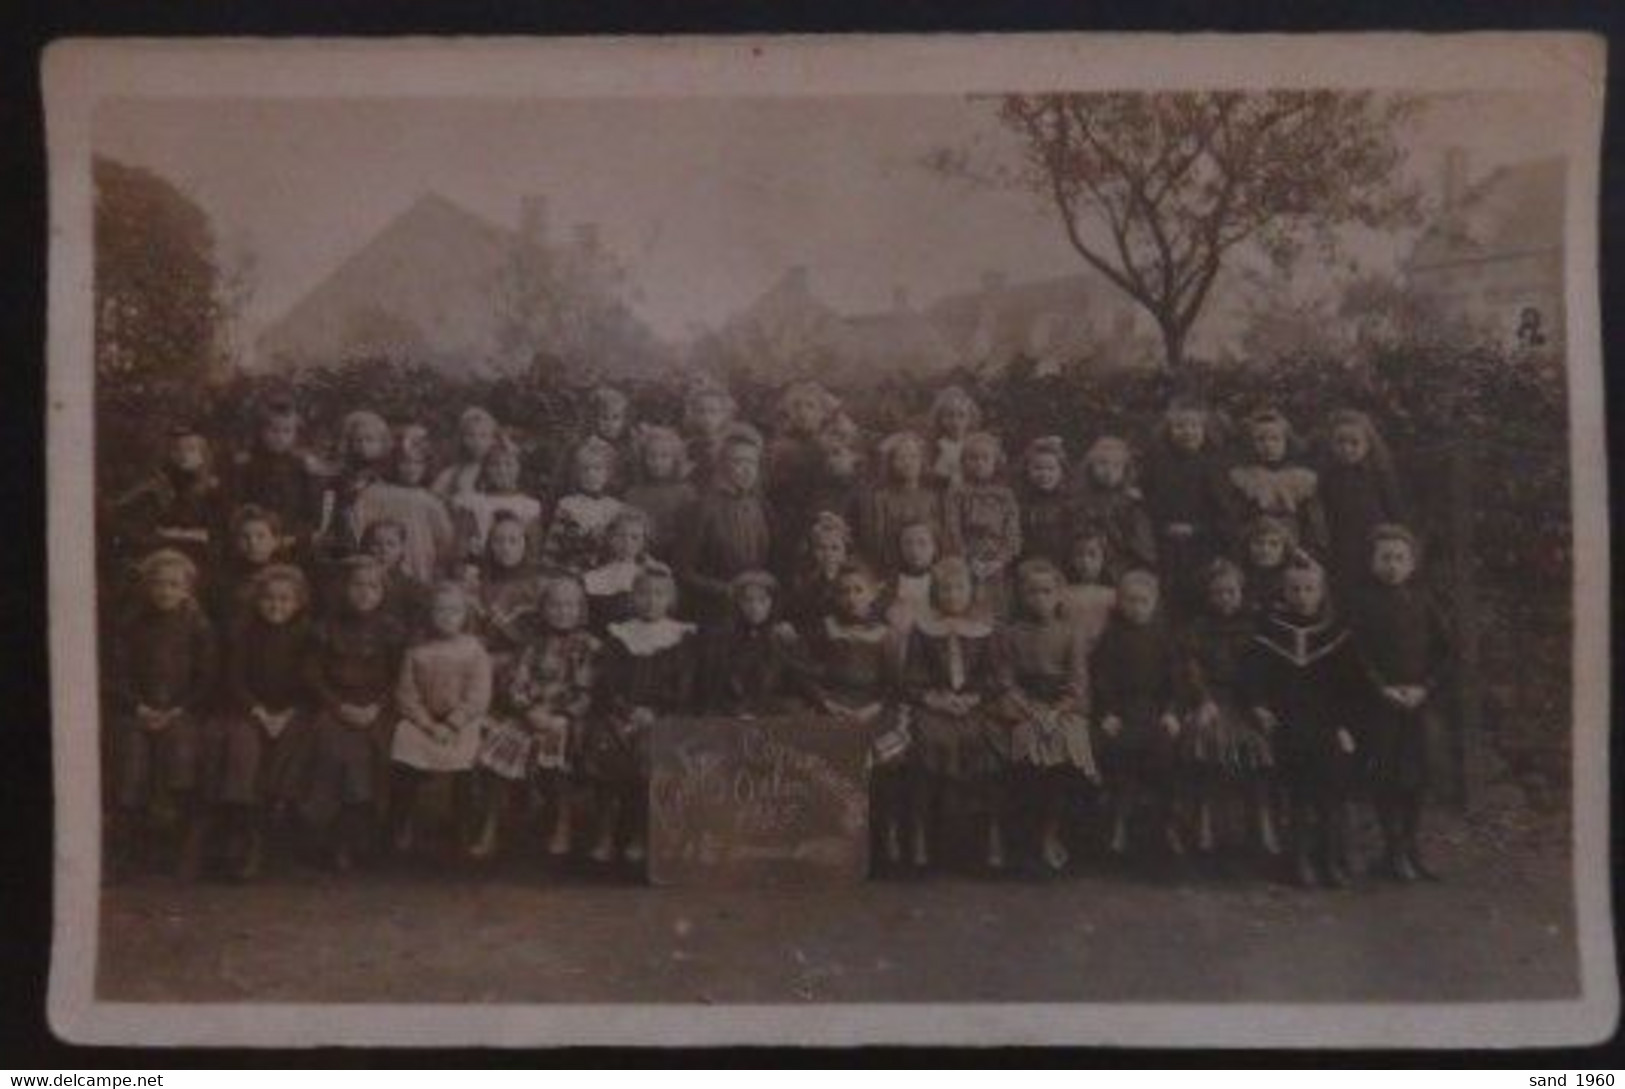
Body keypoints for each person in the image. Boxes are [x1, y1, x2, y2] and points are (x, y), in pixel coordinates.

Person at [1237, 556, 1367, 888]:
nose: (1302, 595)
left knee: (1333, 787)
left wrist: (1346, 725)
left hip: (1328, 723)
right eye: (1294, 589)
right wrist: (1258, 705)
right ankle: (1300, 860)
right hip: (1287, 723)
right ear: (1283, 592)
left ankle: (1331, 858)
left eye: (1309, 589)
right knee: (1299, 791)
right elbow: (1253, 677)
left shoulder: (1336, 634)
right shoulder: (1270, 633)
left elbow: (1351, 687)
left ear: (1322, 592)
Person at [1347, 524, 1451, 882]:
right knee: (1385, 776)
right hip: (1380, 705)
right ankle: (1392, 850)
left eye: (1399, 558)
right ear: (1372, 562)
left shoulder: (1423, 601)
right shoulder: (1361, 602)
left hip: (1418, 703)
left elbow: (1447, 650)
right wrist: (1381, 689)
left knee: (1416, 776)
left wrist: (1425, 687)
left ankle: (1410, 847)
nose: (1392, 565)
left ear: (1412, 564)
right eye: (1385, 557)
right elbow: (1356, 654)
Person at [106, 549, 218, 878]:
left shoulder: (199, 626)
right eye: (158, 584)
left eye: (173, 584)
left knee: (182, 745)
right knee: (131, 751)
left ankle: (174, 837)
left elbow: (207, 677)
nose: (165, 591)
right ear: (146, 587)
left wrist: (176, 710)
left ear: (187, 589)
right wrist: (138, 707)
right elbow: (115, 674)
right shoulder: (129, 624)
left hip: (182, 709)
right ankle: (127, 841)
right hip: (135, 708)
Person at [476, 575, 601, 861]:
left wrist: (560, 714)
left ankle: (562, 824)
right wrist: (529, 710)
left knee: (558, 747)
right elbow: (516, 683)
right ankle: (490, 826)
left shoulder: (589, 646)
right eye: (555, 605)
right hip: (531, 713)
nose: (562, 611)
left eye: (570, 605)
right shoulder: (532, 643)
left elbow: (586, 692)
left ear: (580, 609)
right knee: (499, 745)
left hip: (565, 718)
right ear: (543, 608)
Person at [902, 557, 1010, 871]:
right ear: (935, 593)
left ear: (971, 590)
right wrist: (936, 698)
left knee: (988, 741)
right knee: (926, 737)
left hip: (977, 704)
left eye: (959, 588)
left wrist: (974, 697)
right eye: (945, 589)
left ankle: (990, 835)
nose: (952, 595)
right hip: (936, 703)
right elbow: (911, 677)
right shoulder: (923, 629)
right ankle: (921, 836)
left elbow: (1000, 675)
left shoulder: (987, 627)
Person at [303, 556, 408, 871]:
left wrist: (376, 707)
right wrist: (338, 706)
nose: (365, 593)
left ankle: (364, 831)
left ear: (382, 592)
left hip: (378, 707)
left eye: (373, 586)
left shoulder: (391, 630)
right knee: (331, 746)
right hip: (334, 705)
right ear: (344, 589)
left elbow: (399, 677)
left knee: (372, 749)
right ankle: (333, 836)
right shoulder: (325, 628)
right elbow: (312, 675)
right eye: (357, 585)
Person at [587, 568, 697, 866]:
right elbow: (607, 683)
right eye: (644, 593)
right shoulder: (620, 635)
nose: (651, 601)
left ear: (670, 599)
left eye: (659, 594)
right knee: (607, 745)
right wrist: (625, 711)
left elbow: (683, 688)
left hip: (663, 716)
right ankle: (605, 832)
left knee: (648, 753)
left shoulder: (680, 637)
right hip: (620, 713)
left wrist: (654, 712)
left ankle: (640, 832)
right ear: (633, 598)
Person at [996, 558, 1099, 873]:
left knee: (1067, 743)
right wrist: (1030, 710)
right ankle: (1024, 838)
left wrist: (1055, 711)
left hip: (1062, 705)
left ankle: (1051, 833)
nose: (1039, 598)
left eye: (1046, 591)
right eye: (1031, 592)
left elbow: (1078, 682)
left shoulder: (1071, 633)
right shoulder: (1011, 634)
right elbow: (1006, 679)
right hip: (1024, 704)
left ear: (1058, 595)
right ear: (1021, 596)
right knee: (1026, 743)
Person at [803, 563, 909, 869]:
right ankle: (833, 838)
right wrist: (825, 702)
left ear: (873, 594)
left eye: (858, 590)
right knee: (823, 752)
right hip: (834, 704)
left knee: (882, 757)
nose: (851, 598)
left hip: (873, 706)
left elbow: (895, 683)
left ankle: (880, 837)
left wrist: (875, 707)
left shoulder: (884, 633)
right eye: (844, 591)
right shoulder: (826, 629)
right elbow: (809, 673)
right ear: (836, 596)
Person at [216, 564, 315, 880]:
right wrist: (259, 711)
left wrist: (286, 713)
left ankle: (277, 823)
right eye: (269, 599)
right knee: (242, 744)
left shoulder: (308, 635)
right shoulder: (244, 633)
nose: (276, 606)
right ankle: (245, 829)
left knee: (295, 740)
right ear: (257, 601)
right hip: (250, 710)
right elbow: (234, 679)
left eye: (285, 600)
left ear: (298, 602)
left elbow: (311, 680)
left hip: (293, 710)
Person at [1180, 558, 1277, 857]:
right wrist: (1203, 700)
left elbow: (1260, 670)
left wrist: (1260, 704)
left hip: (1246, 700)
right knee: (1206, 741)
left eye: (1231, 592)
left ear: (1241, 592)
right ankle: (1204, 826)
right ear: (1208, 596)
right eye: (1218, 593)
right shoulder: (1197, 627)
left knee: (1258, 744)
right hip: (1211, 699)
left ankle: (1262, 824)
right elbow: (1191, 668)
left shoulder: (1254, 626)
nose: (1224, 598)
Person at [388, 581, 493, 858]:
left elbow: (478, 696)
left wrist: (452, 723)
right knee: (404, 742)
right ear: (429, 614)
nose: (448, 617)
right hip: (424, 721)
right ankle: (403, 821)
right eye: (440, 610)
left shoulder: (474, 650)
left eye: (455, 611)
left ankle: (463, 824)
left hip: (462, 720)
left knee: (469, 759)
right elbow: (406, 695)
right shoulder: (417, 651)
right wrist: (427, 724)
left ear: (465, 615)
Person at [1091, 570, 1188, 859]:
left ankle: (1168, 824)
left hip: (1154, 710)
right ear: (1119, 602)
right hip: (1122, 711)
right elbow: (1100, 680)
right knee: (1118, 752)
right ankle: (1118, 823)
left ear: (1154, 603)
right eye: (1130, 601)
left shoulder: (1164, 638)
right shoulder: (1111, 638)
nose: (1136, 607)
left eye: (1143, 601)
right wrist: (1106, 713)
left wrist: (1172, 712)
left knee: (1166, 751)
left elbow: (1176, 682)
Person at [316, 410, 454, 586]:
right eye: (405, 462)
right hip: (375, 563)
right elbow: (357, 526)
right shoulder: (375, 492)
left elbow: (445, 539)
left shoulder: (430, 500)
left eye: (418, 463)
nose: (411, 468)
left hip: (419, 565)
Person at [1141, 398, 1231, 613]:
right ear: (1169, 431)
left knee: (1198, 601)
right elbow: (1146, 505)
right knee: (1165, 602)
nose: (1188, 432)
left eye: (1194, 426)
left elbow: (1226, 514)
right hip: (1163, 547)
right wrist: (1161, 526)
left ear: (1204, 430)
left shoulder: (1214, 466)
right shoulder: (1156, 464)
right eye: (1180, 426)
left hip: (1202, 548)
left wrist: (1196, 529)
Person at [673, 431, 772, 624]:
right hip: (713, 611)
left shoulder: (760, 506)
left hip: (755, 611)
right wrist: (727, 590)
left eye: (752, 462)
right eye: (738, 462)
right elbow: (683, 570)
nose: (747, 469)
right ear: (721, 465)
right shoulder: (701, 508)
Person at [109, 424, 227, 575]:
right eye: (177, 449)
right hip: (160, 559)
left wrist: (171, 533)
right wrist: (189, 535)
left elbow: (216, 536)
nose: (184, 455)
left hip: (201, 562)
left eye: (191, 449)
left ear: (203, 455)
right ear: (169, 454)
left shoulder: (213, 492)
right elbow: (140, 530)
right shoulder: (154, 489)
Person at [1319, 409, 1409, 595]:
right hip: (1343, 546)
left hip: (1376, 543)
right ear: (1331, 444)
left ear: (1368, 444)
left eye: (1354, 443)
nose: (1347, 449)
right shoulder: (1327, 477)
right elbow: (1325, 515)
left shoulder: (1380, 475)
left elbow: (1395, 511)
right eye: (1340, 443)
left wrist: (1396, 540)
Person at [703, 570, 808, 717]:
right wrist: (737, 712)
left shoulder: (782, 637)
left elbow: (799, 682)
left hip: (772, 713)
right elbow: (715, 688)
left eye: (762, 600)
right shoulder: (722, 639)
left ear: (772, 603)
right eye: (748, 600)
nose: (755, 607)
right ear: (737, 603)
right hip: (731, 714)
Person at [1228, 408, 1328, 559]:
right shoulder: (1242, 477)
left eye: (1275, 439)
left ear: (1286, 441)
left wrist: (1308, 550)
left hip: (1295, 546)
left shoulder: (1303, 478)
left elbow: (1314, 522)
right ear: (1251, 442)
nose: (1268, 445)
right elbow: (1235, 519)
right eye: (1260, 440)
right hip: (1255, 548)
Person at [943, 431, 1021, 621]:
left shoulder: (1005, 495)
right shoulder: (957, 494)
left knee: (996, 614)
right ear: (964, 462)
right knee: (966, 609)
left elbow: (1012, 532)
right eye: (973, 458)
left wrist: (1000, 560)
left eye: (985, 458)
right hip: (966, 559)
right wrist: (968, 559)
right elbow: (952, 529)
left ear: (995, 462)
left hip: (997, 562)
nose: (979, 463)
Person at [228, 396, 321, 552]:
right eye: (274, 430)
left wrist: (298, 536)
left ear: (295, 434)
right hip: (255, 539)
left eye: (287, 431)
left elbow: (311, 510)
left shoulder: (301, 466)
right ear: (261, 431)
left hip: (291, 537)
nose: (280, 437)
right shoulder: (246, 465)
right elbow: (236, 505)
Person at [858, 431, 945, 576]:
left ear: (922, 461)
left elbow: (939, 536)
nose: (908, 462)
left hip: (926, 567)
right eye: (901, 457)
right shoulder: (880, 498)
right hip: (891, 567)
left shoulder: (932, 497)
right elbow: (876, 539)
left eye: (913, 456)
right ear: (890, 463)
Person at [451, 436, 544, 563]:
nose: (502, 470)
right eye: (495, 465)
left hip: (515, 570)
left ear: (519, 468)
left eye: (509, 464)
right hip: (480, 567)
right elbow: (460, 547)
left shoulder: (529, 506)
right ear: (486, 469)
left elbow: (533, 551)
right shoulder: (473, 502)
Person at [540, 436, 627, 574]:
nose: (591, 474)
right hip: (574, 572)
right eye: (585, 469)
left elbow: (626, 548)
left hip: (609, 574)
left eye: (598, 468)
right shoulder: (567, 505)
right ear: (577, 474)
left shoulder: (616, 508)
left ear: (608, 473)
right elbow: (553, 547)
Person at [1074, 435, 1157, 572]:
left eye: (1117, 465)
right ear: (1090, 467)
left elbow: (1142, 542)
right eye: (1102, 463)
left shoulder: (1131, 504)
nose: (1109, 471)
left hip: (1123, 564)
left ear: (1125, 470)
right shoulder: (1080, 500)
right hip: (1086, 562)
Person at [584, 508, 671, 630]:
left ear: (644, 542)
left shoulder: (651, 573)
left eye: (635, 537)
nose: (627, 543)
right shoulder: (593, 573)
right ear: (610, 538)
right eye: (620, 535)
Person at [623, 424, 697, 559]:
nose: (657, 462)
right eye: (652, 456)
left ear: (675, 460)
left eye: (664, 456)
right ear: (643, 459)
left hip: (678, 556)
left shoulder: (686, 493)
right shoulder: (633, 494)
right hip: (643, 557)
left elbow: (691, 535)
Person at [213, 504, 287, 629]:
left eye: (260, 536)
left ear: (276, 541)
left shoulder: (288, 577)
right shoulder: (224, 579)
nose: (252, 543)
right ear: (236, 541)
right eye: (245, 537)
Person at [784, 511, 855, 635]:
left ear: (845, 551)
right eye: (821, 548)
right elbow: (797, 617)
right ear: (812, 551)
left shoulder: (853, 580)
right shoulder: (806, 582)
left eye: (835, 548)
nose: (828, 554)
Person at [361, 519, 431, 637]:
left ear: (401, 548)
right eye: (376, 544)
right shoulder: (356, 582)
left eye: (391, 544)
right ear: (367, 547)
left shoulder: (413, 588)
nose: (384, 550)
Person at [1017, 436, 1077, 569]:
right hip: (1028, 564)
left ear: (1062, 471)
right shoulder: (1021, 503)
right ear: (1027, 470)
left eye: (1051, 469)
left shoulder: (1069, 504)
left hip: (1061, 565)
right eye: (1038, 468)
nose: (1044, 474)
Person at [1060, 523, 1118, 651]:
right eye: (1079, 554)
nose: (1085, 561)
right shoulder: (1064, 593)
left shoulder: (1112, 595)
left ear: (1104, 558)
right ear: (1071, 558)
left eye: (1092, 555)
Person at [881, 521, 940, 640]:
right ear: (900, 547)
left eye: (922, 543)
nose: (914, 550)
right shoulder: (890, 582)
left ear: (934, 547)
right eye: (907, 543)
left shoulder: (942, 580)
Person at [431, 406, 501, 501]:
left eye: (483, 435)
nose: (477, 442)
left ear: (492, 440)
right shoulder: (453, 473)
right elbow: (433, 499)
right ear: (463, 439)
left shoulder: (499, 471)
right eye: (471, 435)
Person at [927, 385, 981, 489]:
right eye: (949, 415)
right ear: (940, 418)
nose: (955, 422)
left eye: (962, 415)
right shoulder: (936, 446)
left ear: (970, 418)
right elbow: (929, 475)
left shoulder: (975, 445)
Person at [1240, 514, 1296, 614]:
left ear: (1284, 548)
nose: (1265, 550)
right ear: (1248, 544)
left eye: (1273, 544)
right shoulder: (1238, 573)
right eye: (1258, 543)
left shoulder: (1293, 574)